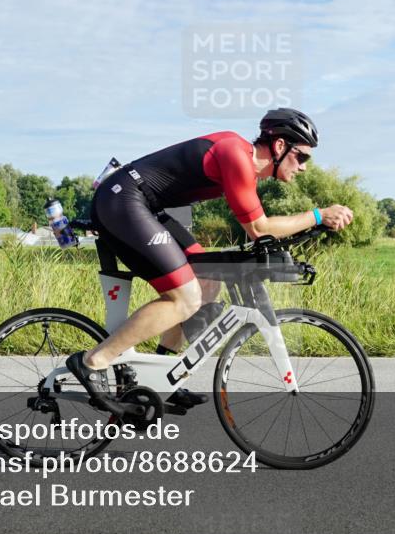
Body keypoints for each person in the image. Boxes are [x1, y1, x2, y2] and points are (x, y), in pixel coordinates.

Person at [66, 108, 354, 411]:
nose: (304, 168)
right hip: (122, 199)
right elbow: (259, 229)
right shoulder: (236, 155)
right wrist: (318, 215)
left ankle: (160, 378)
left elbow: (262, 233)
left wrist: (314, 226)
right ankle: (92, 362)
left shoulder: (245, 169)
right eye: (303, 157)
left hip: (145, 205)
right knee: (185, 298)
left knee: (206, 283)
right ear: (280, 146)